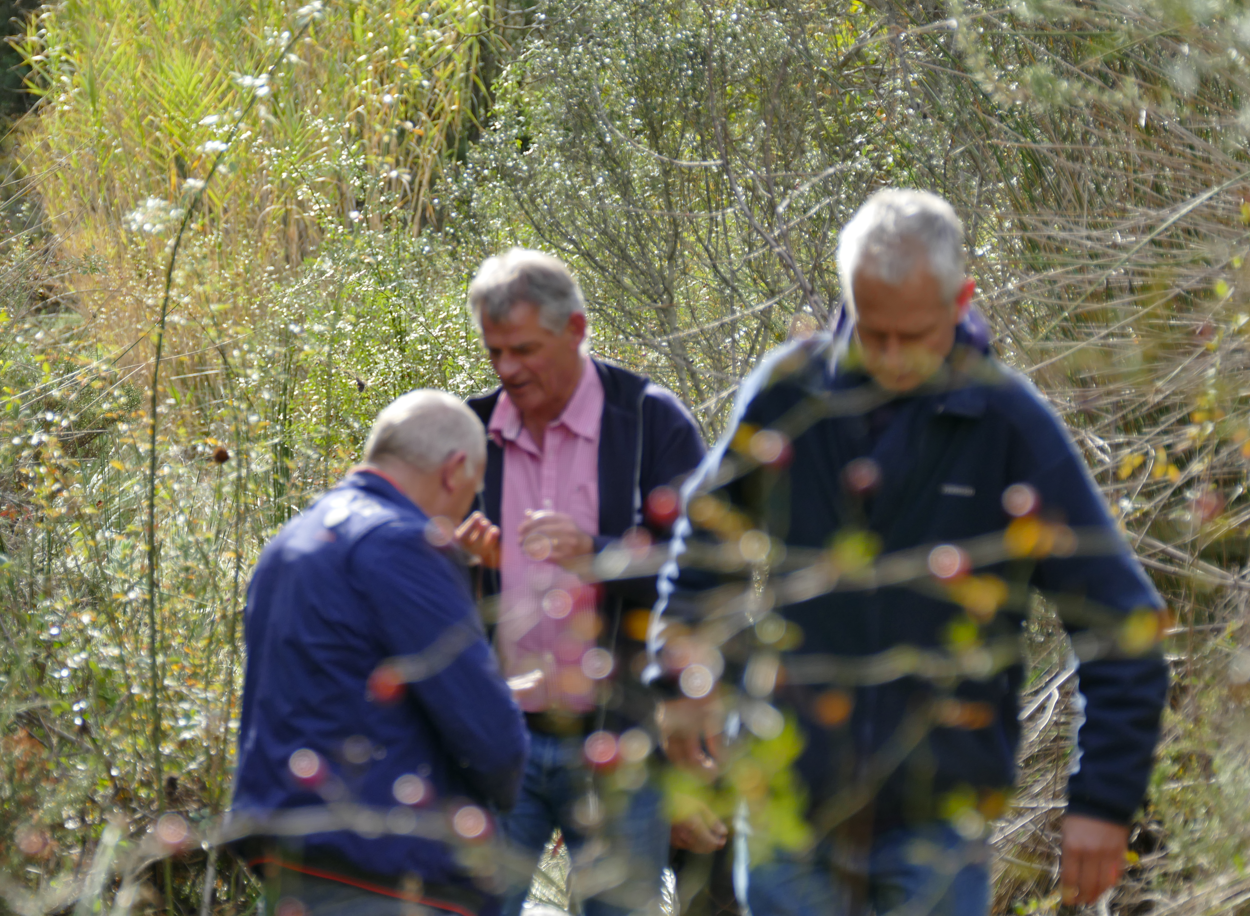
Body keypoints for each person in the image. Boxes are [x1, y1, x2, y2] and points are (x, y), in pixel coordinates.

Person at [652, 189, 1169, 916]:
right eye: (873, 333)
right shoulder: (789, 394)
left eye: (915, 335)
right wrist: (679, 678)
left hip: (934, 830)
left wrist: (1104, 800)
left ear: (961, 299)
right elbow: (705, 543)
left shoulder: (1008, 424)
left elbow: (1122, 623)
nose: (892, 357)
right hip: (785, 812)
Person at [453, 248, 709, 916]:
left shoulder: (650, 422)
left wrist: (599, 556)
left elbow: (706, 572)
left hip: (620, 743)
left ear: (575, 329)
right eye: (495, 352)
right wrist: (459, 561)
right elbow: (418, 580)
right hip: (499, 742)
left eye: (524, 350)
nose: (508, 369)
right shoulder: (469, 431)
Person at [231, 390, 530, 916]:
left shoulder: (289, 543)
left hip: (290, 857)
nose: (468, 507)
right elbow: (490, 736)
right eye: (474, 490)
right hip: (385, 867)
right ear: (454, 471)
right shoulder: (401, 544)